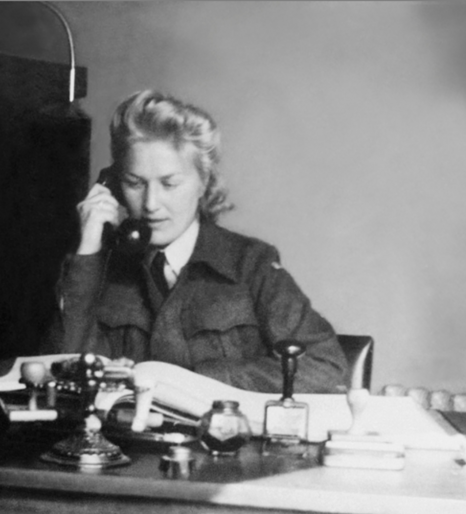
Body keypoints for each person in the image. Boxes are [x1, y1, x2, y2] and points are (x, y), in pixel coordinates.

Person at [46, 90, 347, 394]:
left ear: (203, 182)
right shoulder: (102, 265)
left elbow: (326, 368)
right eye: (134, 183)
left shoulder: (251, 263)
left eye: (169, 183)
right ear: (114, 185)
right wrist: (88, 251)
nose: (151, 204)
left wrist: (188, 380)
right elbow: (60, 369)